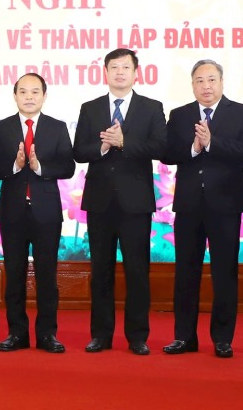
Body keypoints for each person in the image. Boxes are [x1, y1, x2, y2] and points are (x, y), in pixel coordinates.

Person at [161, 60, 243, 359]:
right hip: (189, 205)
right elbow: (166, 153)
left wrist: (213, 143)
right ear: (192, 85)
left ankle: (222, 339)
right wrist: (194, 148)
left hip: (226, 205)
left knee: (224, 273)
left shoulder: (241, 112)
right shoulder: (180, 115)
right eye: (200, 80)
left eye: (211, 80)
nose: (206, 86)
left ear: (222, 82)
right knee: (185, 272)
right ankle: (184, 337)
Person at [72, 48, 166, 355]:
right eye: (114, 68)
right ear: (106, 72)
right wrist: (102, 147)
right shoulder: (90, 107)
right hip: (100, 201)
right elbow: (78, 151)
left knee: (137, 271)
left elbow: (160, 146)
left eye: (126, 67)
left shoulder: (151, 108)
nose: (120, 72)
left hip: (135, 203)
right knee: (101, 270)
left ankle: (137, 336)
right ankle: (101, 334)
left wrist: (125, 143)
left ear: (136, 72)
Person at [0, 73, 75, 353]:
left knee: (47, 275)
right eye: (23, 91)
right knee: (14, 275)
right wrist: (14, 165)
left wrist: (38, 166)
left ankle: (48, 334)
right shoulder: (1, 128)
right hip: (12, 212)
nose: (28, 96)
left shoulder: (57, 127)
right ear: (15, 96)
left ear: (44, 96)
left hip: (46, 212)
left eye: (34, 92)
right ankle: (17, 333)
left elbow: (68, 167)